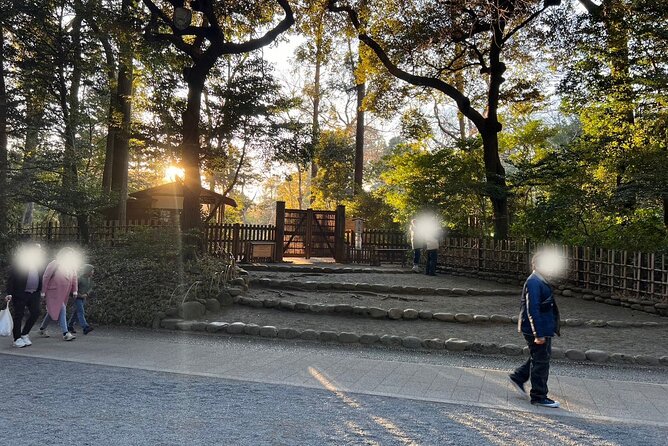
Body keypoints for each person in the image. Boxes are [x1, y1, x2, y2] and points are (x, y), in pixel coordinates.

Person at [509, 253, 561, 408]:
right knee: (541, 361)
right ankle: (539, 395)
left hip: (542, 326)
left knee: (539, 356)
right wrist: (538, 333)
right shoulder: (534, 282)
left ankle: (518, 377)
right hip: (536, 328)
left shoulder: (539, 280)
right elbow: (533, 310)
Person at [4, 243, 47, 348]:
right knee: (19, 315)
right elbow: (11, 278)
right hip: (20, 293)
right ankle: (17, 338)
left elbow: (42, 277)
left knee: (36, 312)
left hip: (34, 293)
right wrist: (9, 293)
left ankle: (24, 334)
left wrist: (42, 291)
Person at [38, 247, 79, 341]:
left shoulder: (72, 266)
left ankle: (42, 329)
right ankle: (65, 333)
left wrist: (75, 290)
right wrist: (43, 291)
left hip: (64, 293)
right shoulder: (54, 264)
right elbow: (46, 277)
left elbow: (74, 278)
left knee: (53, 311)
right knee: (62, 309)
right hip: (53, 292)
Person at [67, 264, 95, 335]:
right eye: (92, 270)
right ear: (87, 271)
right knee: (81, 312)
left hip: (83, 298)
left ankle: (69, 326)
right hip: (77, 298)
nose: (93, 272)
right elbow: (73, 288)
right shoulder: (79, 279)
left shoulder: (90, 279)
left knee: (76, 313)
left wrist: (87, 294)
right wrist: (78, 294)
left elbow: (91, 288)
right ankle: (85, 327)